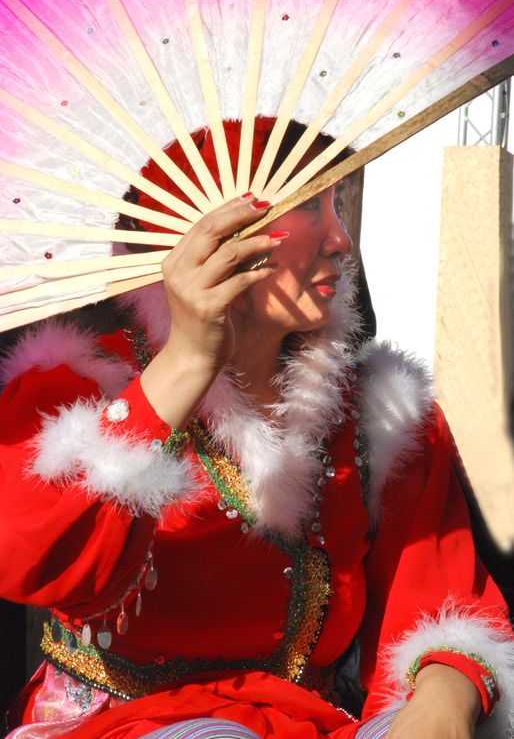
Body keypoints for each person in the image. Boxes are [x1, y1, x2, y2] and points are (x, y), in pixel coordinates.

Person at [0, 120, 513, 739]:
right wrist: (187, 360)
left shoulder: (379, 414)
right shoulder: (80, 391)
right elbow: (33, 561)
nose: (341, 240)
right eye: (307, 206)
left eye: (337, 201)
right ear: (207, 227)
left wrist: (443, 701)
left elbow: (441, 600)